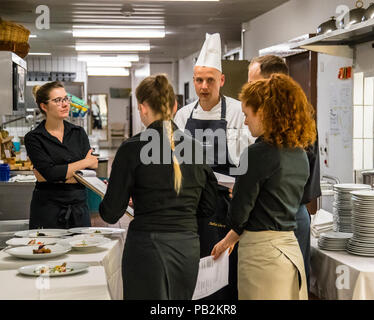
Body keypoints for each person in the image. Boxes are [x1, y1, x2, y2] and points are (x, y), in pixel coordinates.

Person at [99, 74, 218, 300]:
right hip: (187, 248)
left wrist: (127, 196)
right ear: (174, 106)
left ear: (143, 108)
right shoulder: (195, 148)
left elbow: (111, 212)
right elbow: (208, 205)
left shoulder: (131, 149)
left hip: (147, 248)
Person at [212, 73, 317, 300]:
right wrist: (228, 240)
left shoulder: (255, 154)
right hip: (289, 253)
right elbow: (271, 203)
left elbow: (238, 215)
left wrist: (238, 191)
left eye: (247, 115)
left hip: (263, 258)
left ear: (263, 113)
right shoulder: (300, 154)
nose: (246, 121)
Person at [174, 33, 251, 300]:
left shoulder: (239, 112)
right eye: (199, 80)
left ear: (222, 80)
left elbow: (251, 160)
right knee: (194, 271)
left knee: (226, 275)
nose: (204, 86)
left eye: (210, 80)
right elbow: (175, 161)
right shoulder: (183, 116)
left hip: (227, 206)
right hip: (193, 206)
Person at [248, 55, 322, 288]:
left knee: (290, 286)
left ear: (272, 81)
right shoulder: (266, 118)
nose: (249, 88)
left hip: (287, 216)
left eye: (254, 82)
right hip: (276, 214)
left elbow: (290, 175)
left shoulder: (294, 118)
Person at [25, 81, 98, 229]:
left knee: (82, 250)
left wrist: (57, 174)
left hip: (79, 209)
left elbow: (92, 169)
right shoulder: (34, 138)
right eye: (58, 100)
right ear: (44, 106)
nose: (65, 104)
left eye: (66, 99)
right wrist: (85, 162)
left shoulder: (78, 133)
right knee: (45, 250)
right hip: (48, 210)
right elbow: (51, 174)